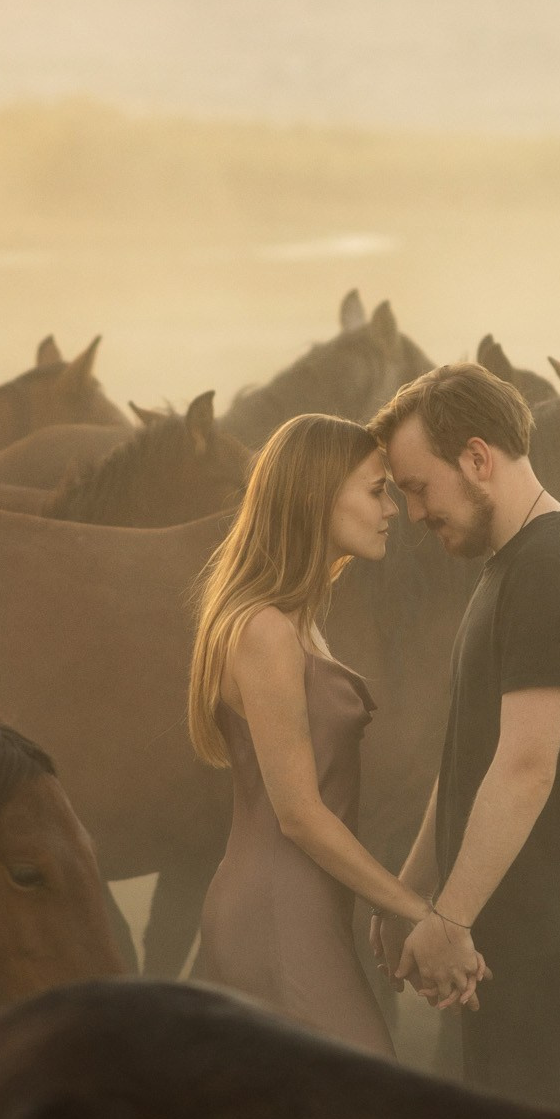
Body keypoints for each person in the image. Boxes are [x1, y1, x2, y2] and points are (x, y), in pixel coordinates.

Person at [367, 362, 560, 1114]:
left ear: (476, 458)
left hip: (558, 931)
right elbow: (473, 760)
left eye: (418, 487)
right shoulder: (512, 567)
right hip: (522, 925)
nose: (415, 513)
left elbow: (525, 769)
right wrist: (414, 890)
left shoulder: (552, 572)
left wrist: (450, 918)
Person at [187, 410, 453, 1053]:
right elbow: (300, 815)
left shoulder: (295, 621)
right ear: (315, 495)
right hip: (277, 916)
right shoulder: (266, 632)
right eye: (374, 489)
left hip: (303, 912)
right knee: (366, 1090)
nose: (391, 508)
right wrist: (419, 913)